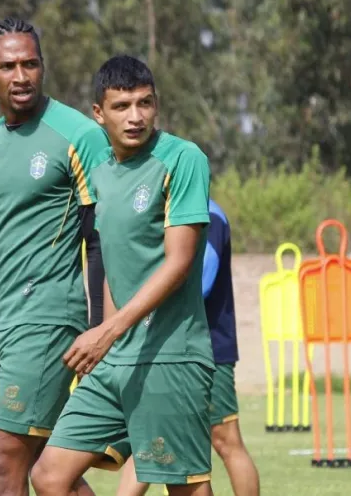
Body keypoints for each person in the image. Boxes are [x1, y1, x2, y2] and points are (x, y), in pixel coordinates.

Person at [30, 55, 215, 496]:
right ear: (98, 113)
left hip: (171, 356)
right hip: (116, 360)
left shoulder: (183, 158)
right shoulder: (101, 174)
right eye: (121, 106)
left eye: (145, 103)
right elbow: (114, 264)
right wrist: (107, 343)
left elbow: (179, 262)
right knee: (49, 476)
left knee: (183, 486)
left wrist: (107, 332)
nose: (135, 116)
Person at [0, 17, 107, 496]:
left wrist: (99, 326)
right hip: (10, 326)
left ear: (43, 67)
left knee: (1, 467)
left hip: (52, 318)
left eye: (30, 63)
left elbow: (98, 240)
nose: (21, 76)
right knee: (50, 474)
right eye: (8, 65)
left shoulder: (78, 133)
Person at [114, 198, 260, 496]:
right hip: (164, 346)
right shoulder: (166, 213)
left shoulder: (210, 215)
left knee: (225, 440)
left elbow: (199, 281)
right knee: (147, 436)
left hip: (208, 348)